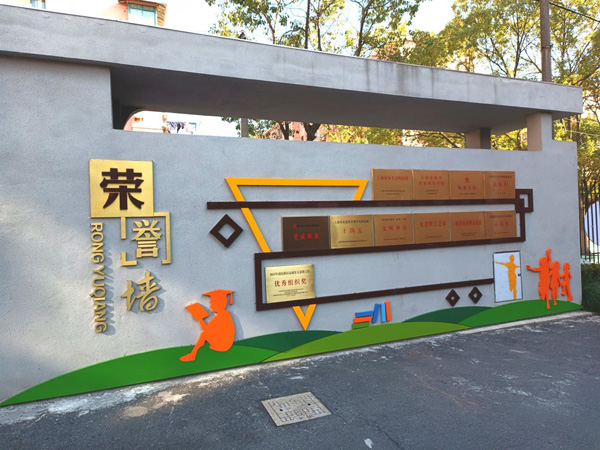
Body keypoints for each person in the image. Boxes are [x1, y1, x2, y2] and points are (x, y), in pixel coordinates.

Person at [180, 290, 235, 362]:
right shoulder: (224, 315)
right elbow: (208, 329)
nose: (210, 306)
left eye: (212, 303)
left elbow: (206, 330)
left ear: (219, 303)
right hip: (223, 344)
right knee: (204, 333)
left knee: (203, 334)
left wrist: (199, 318)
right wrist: (200, 319)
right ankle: (192, 354)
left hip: (222, 345)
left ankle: (192, 355)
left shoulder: (223, 316)